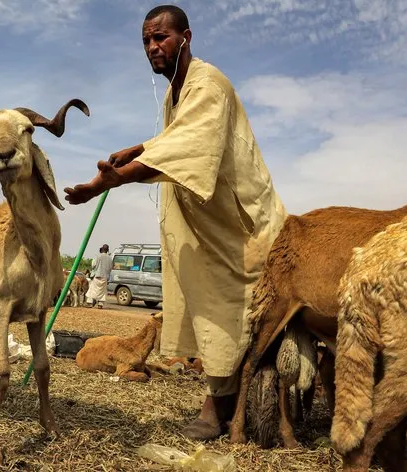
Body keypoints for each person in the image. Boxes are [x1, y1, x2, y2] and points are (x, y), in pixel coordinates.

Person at [64, 5, 287, 440]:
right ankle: (223, 396)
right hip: (211, 228)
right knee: (203, 302)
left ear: (186, 36)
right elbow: (171, 141)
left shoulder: (209, 83)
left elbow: (189, 147)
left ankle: (219, 405)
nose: (152, 47)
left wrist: (105, 184)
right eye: (146, 40)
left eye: (161, 37)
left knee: (228, 307)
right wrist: (139, 147)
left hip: (243, 226)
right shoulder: (174, 94)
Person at [85, 244, 112, 309]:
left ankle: (90, 303)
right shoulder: (110, 258)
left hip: (97, 276)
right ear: (107, 250)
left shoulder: (98, 256)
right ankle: (100, 304)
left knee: (92, 289)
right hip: (105, 277)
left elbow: (93, 265)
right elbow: (110, 268)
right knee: (103, 291)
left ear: (101, 250)